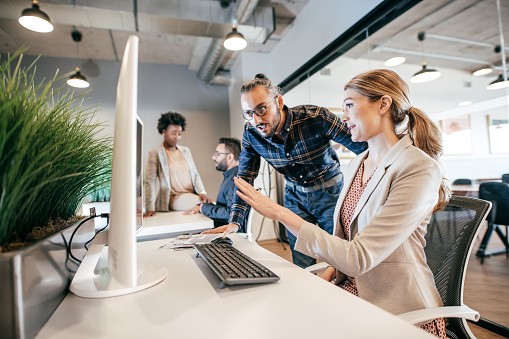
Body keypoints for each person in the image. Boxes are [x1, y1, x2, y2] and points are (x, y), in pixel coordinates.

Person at [231, 69, 451, 338]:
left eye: (349, 105)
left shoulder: (418, 168)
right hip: (350, 289)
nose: (343, 116)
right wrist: (332, 268)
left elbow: (358, 256)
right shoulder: (359, 163)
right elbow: (347, 242)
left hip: (395, 306)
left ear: (383, 104)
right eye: (248, 114)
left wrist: (279, 213)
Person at [204, 73, 367, 268]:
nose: (256, 120)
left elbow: (364, 149)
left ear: (278, 102)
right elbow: (244, 178)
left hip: (330, 192)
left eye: (261, 109)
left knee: (339, 256)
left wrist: (361, 191)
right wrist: (235, 222)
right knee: (301, 260)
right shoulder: (251, 134)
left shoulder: (316, 118)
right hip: (294, 196)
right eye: (249, 113)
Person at [144, 111, 207, 216]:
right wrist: (149, 208)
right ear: (163, 131)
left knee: (206, 202)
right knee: (205, 204)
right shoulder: (155, 153)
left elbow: (195, 174)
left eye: (179, 134)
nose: (177, 137)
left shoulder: (186, 151)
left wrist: (202, 192)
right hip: (173, 198)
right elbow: (150, 182)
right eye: (173, 133)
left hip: (191, 194)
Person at [183, 137, 241, 228]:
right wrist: (205, 205)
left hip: (227, 236)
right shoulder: (231, 177)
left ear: (230, 157)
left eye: (217, 154)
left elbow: (230, 214)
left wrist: (203, 208)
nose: (213, 157)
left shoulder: (234, 180)